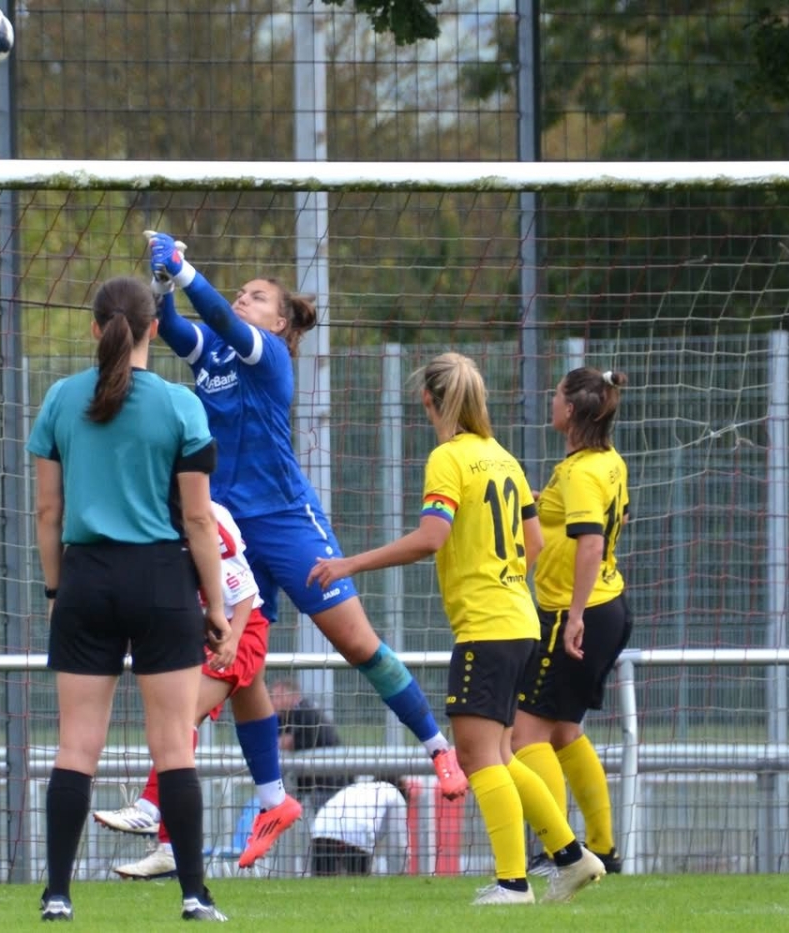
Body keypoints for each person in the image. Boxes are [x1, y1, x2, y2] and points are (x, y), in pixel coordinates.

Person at [146, 232, 465, 801]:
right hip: (233, 533)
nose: (243, 298)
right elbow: (169, 323)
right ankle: (274, 802)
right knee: (243, 669)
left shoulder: (267, 354)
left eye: (258, 296)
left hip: (286, 521)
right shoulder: (212, 353)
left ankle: (438, 748)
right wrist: (161, 280)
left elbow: (216, 314)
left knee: (357, 644)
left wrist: (184, 268)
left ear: (279, 323)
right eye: (242, 292)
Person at [309, 352, 606, 905]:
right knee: (503, 755)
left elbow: (431, 538)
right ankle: (571, 856)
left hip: (487, 626)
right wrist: (504, 578)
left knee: (476, 757)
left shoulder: (448, 458)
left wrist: (349, 564)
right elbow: (534, 543)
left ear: (429, 400)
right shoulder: (503, 457)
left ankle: (513, 883)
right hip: (519, 620)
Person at [27, 276, 230, 922]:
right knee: (173, 746)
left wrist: (57, 589)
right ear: (153, 329)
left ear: (95, 328)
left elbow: (48, 511)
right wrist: (217, 606)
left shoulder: (60, 398)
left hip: (85, 579)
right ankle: (194, 895)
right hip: (161, 580)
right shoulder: (180, 404)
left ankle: (58, 896)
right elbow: (198, 520)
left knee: (75, 747)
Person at [100, 502, 302, 878]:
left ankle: (149, 808)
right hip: (198, 632)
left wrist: (233, 640)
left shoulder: (198, 515)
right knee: (182, 719)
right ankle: (173, 847)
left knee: (180, 715)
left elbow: (245, 588)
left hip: (239, 629)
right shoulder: (143, 514)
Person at [514, 366, 633, 878]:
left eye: (556, 394)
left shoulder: (581, 472)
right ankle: (602, 850)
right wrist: (543, 505)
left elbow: (591, 541)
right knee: (563, 731)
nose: (551, 401)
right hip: (610, 607)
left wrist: (575, 616)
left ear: (571, 409)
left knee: (525, 737)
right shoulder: (606, 461)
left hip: (576, 613)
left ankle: (561, 853)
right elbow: (609, 517)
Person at [308, 776, 409, 877]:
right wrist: (399, 875)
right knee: (359, 883)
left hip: (322, 827)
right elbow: (398, 843)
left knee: (322, 880)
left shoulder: (358, 787)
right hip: (357, 833)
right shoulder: (395, 795)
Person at [270, 677, 347, 807]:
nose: (274, 701)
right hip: (311, 783)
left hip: (329, 782)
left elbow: (288, 742)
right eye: (273, 697)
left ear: (294, 696)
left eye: (278, 696)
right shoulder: (284, 717)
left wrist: (282, 742)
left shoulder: (305, 711)